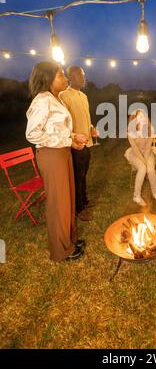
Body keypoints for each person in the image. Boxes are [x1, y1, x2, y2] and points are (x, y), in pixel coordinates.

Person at [26, 61, 88, 262]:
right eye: (61, 75)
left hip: (61, 152)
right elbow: (33, 134)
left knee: (67, 198)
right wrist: (67, 140)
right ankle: (61, 250)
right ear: (48, 78)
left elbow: (56, 128)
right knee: (58, 203)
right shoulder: (42, 100)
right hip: (51, 156)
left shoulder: (57, 98)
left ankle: (69, 240)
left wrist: (73, 136)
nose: (65, 78)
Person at [60, 66, 94, 221]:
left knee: (83, 174)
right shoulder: (63, 96)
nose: (83, 78)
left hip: (87, 143)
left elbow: (86, 117)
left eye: (84, 75)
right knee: (77, 177)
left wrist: (91, 129)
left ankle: (85, 200)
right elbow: (62, 124)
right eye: (80, 75)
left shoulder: (84, 96)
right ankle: (78, 208)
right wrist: (72, 138)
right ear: (71, 77)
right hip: (75, 145)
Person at [125, 110, 156, 206]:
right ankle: (136, 196)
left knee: (150, 169)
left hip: (148, 152)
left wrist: (146, 160)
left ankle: (155, 193)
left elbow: (147, 147)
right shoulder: (131, 132)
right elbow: (135, 150)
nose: (143, 118)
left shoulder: (150, 129)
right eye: (140, 117)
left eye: (144, 116)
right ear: (134, 119)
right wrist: (143, 162)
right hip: (135, 154)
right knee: (142, 169)